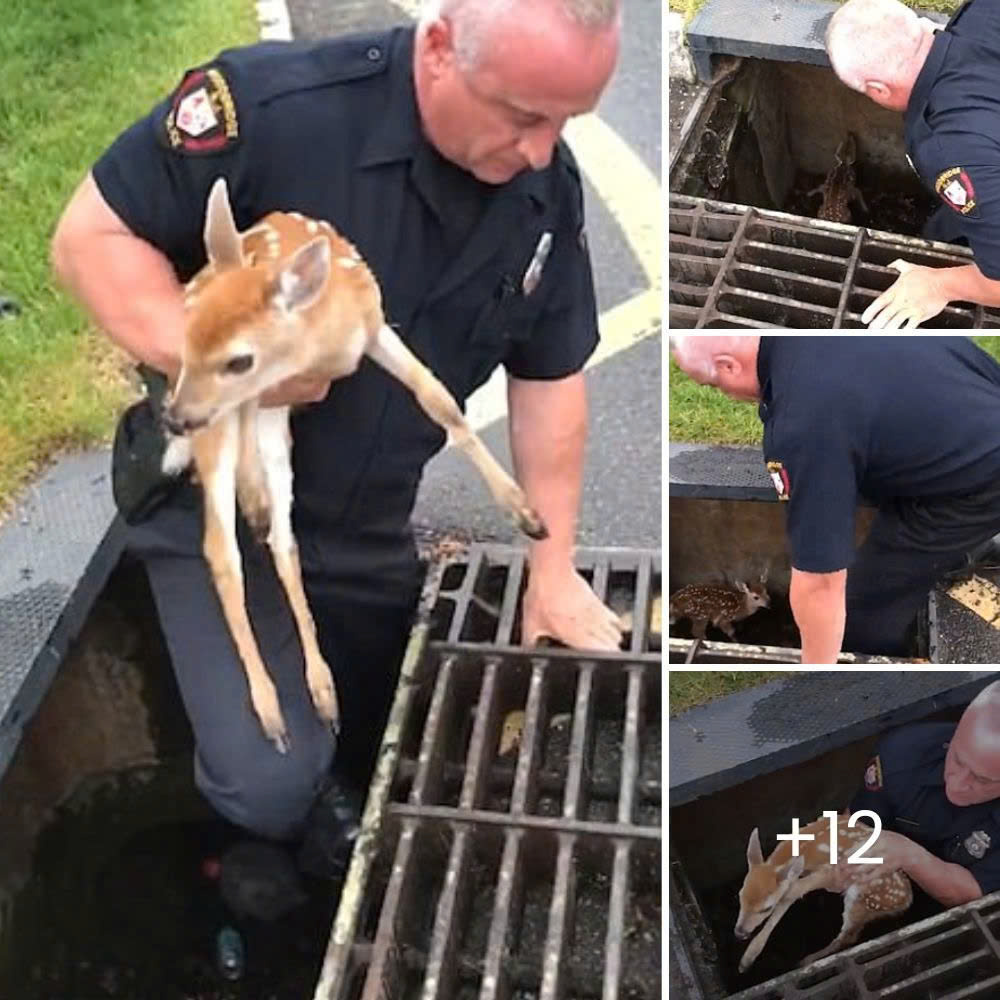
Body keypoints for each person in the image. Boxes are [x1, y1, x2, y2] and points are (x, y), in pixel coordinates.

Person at [51, 0, 625, 891]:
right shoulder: (274, 113)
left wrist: (551, 572)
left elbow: (550, 376)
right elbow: (91, 237)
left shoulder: (542, 194)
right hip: (219, 507)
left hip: (364, 527)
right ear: (439, 49)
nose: (544, 151)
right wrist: (224, 361)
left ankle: (334, 817)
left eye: (568, 121)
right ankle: (236, 850)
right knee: (273, 775)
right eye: (523, 116)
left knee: (374, 719)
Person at [669, 335, 1000, 664]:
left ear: (728, 365)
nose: (725, 395)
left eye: (715, 386)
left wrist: (815, 671)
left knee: (860, 606)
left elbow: (821, 582)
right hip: (977, 410)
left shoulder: (800, 427)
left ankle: (871, 678)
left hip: (982, 482)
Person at [825, 0, 1000, 330]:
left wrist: (939, 285)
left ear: (877, 88)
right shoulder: (984, 10)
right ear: (919, 23)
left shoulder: (949, 149)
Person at [841, 679, 1000, 906]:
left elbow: (972, 893)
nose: (957, 783)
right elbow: (857, 823)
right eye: (957, 759)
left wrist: (910, 856)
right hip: (887, 879)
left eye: (981, 779)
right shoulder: (902, 754)